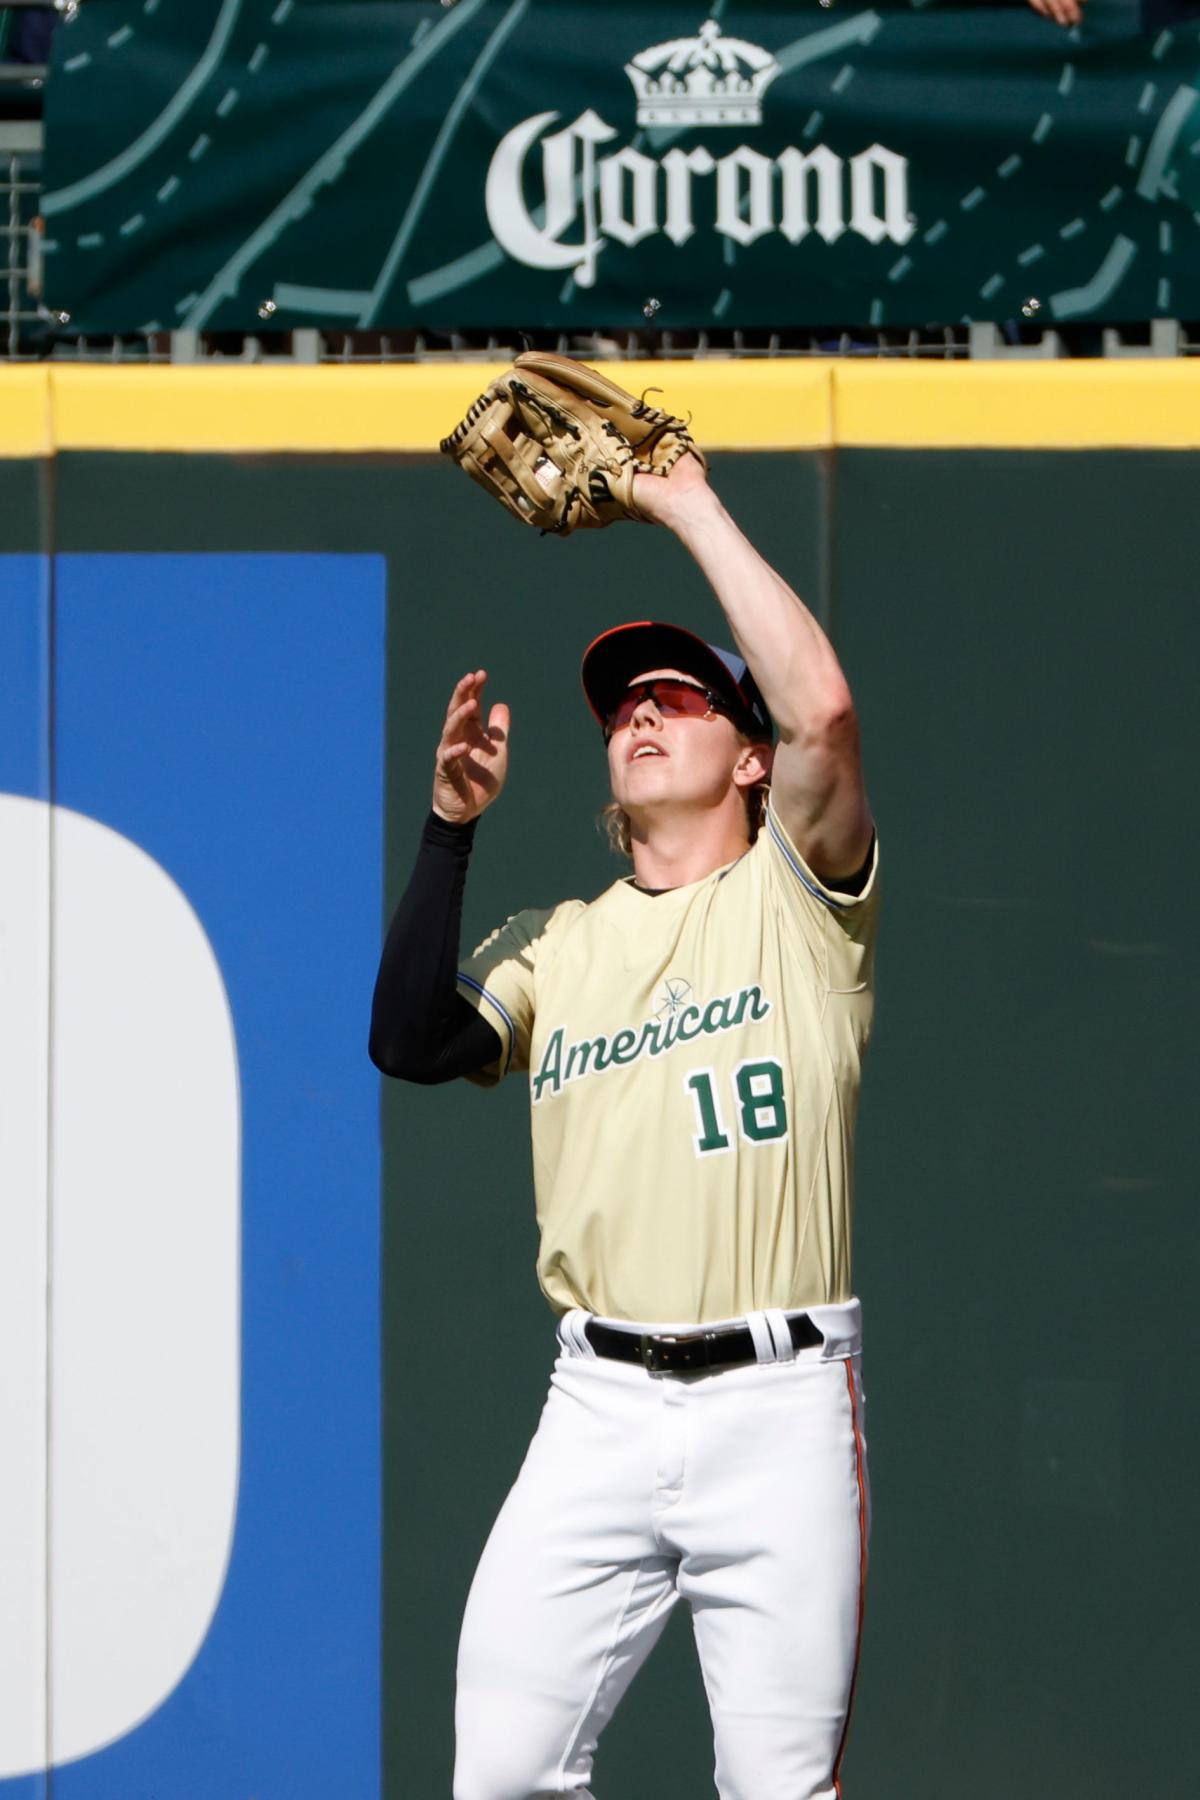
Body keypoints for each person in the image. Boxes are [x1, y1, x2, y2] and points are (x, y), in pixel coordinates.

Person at [370, 451, 879, 1800]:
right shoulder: (558, 944)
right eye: (623, 705)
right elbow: (410, 1042)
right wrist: (447, 829)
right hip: (594, 1404)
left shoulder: (800, 903)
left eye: (681, 695)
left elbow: (823, 708)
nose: (641, 714)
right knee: (503, 1774)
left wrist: (685, 502)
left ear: (751, 757)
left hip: (778, 1400)